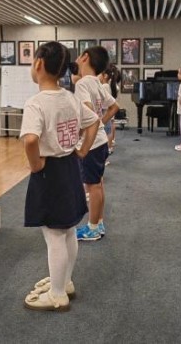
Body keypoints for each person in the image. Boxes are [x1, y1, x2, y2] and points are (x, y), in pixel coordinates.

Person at [20, 42, 100, 312]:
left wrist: (35, 165)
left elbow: (31, 140)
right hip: (70, 167)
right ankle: (65, 282)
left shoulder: (36, 103)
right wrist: (83, 150)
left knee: (53, 235)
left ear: (39, 64)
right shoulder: (70, 97)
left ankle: (57, 294)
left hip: (49, 172)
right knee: (68, 230)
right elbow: (94, 121)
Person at [74, 46, 119, 241]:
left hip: (91, 143)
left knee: (92, 186)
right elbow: (114, 106)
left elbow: (87, 111)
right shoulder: (96, 83)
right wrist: (100, 123)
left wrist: (80, 134)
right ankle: (98, 223)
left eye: (79, 56)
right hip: (100, 141)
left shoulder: (83, 84)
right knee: (98, 184)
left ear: (85, 58)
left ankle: (92, 228)